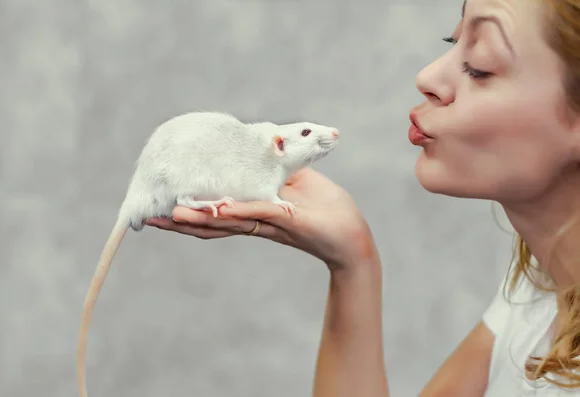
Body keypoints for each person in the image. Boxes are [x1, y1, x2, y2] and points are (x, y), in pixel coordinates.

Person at [145, 0, 580, 395]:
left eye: (480, 65)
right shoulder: (539, 288)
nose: (427, 77)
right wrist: (354, 262)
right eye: (453, 39)